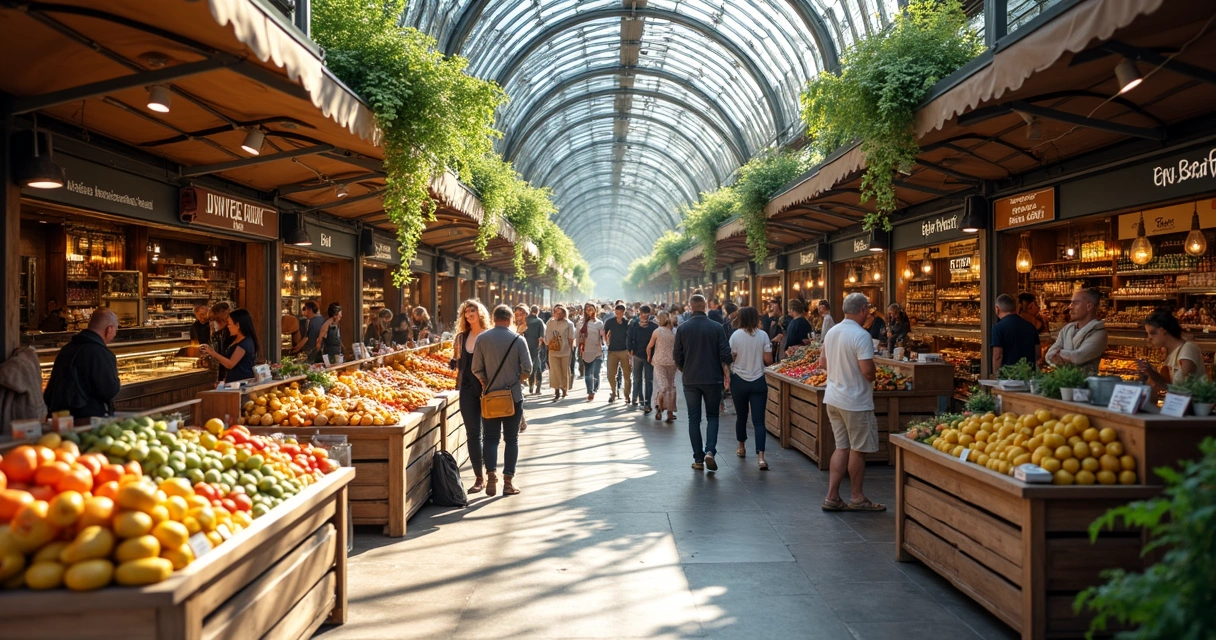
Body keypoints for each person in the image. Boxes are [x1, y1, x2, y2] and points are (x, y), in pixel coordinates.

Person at [819, 293, 884, 512]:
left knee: (841, 448)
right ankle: (857, 497)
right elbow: (867, 370)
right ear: (864, 310)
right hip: (855, 401)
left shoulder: (832, 331)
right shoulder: (861, 335)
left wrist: (841, 370)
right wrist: (874, 374)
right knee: (858, 450)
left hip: (833, 398)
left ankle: (832, 497)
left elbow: (823, 364)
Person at [472, 305, 533, 497]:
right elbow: (528, 368)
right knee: (511, 439)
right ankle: (508, 482)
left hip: (490, 397)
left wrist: (485, 382)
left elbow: (476, 368)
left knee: (490, 438)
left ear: (493, 318)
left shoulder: (482, 339)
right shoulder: (518, 339)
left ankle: (491, 475)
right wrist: (516, 381)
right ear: (510, 319)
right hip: (512, 397)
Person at [673, 294, 733, 472]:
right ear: (705, 306)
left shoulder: (683, 329)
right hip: (713, 379)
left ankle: (698, 459)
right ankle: (710, 451)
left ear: (690, 307)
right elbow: (725, 354)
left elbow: (677, 355)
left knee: (694, 418)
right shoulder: (716, 327)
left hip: (691, 379)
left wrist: (685, 368)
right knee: (713, 416)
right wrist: (726, 373)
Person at [43, 308, 120, 419]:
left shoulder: (67, 349)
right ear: (109, 329)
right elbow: (109, 391)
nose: (114, 334)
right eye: (116, 330)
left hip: (61, 416)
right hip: (88, 417)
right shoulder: (100, 353)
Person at [451, 300, 491, 493]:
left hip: (488, 389)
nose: (469, 314)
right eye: (466, 312)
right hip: (467, 389)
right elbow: (456, 363)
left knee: (490, 433)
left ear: (480, 312)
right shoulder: (461, 337)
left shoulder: (489, 335)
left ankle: (491, 473)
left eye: (472, 310)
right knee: (473, 433)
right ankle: (478, 478)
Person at [729, 307, 773, 469]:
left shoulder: (735, 336)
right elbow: (768, 360)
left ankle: (741, 447)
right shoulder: (763, 335)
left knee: (741, 416)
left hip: (739, 380)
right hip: (758, 380)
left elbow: (730, 357)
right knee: (759, 421)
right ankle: (761, 457)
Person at [1139, 309, 1206, 397]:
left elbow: (1183, 388)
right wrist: (1149, 373)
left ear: (1163, 331)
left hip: (1193, 407)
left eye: (1152, 333)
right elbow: (1168, 386)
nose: (1149, 338)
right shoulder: (1169, 353)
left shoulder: (1188, 349)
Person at [1045, 288, 1108, 373]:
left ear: (1089, 306)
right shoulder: (1067, 329)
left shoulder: (1098, 332)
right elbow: (1049, 355)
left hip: (1086, 384)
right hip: (1063, 381)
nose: (1070, 306)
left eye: (1075, 303)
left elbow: (1078, 357)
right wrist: (1063, 357)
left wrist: (1058, 354)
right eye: (1071, 302)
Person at [200, 308, 258, 384]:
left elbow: (230, 364)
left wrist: (212, 353)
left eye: (229, 324)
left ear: (237, 325)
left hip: (241, 383)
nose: (228, 326)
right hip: (233, 382)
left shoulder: (245, 342)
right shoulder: (235, 339)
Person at [991, 294, 1041, 373]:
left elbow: (998, 355)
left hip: (1008, 376)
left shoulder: (998, 328)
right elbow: (1038, 354)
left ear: (997, 309)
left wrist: (996, 376)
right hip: (1028, 375)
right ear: (1015, 308)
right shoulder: (1031, 326)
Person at [648, 311, 679, 423]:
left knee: (664, 386)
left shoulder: (657, 331)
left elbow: (649, 346)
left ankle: (660, 409)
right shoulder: (674, 332)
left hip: (661, 362)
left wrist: (649, 358)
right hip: (671, 363)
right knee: (670, 386)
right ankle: (668, 411)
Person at [627, 305, 658, 413]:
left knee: (648, 380)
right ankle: (636, 398)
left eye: (646, 313)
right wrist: (630, 348)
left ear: (650, 314)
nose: (644, 315)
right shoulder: (634, 325)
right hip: (637, 354)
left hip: (649, 356)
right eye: (642, 313)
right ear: (639, 313)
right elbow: (629, 337)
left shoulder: (654, 326)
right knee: (637, 378)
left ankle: (647, 402)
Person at [544, 304, 575, 400]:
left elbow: (571, 338)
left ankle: (564, 389)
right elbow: (547, 335)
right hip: (553, 350)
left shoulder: (569, 323)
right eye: (554, 312)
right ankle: (556, 390)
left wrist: (571, 350)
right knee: (554, 370)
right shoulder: (550, 322)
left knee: (564, 370)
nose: (555, 314)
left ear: (563, 313)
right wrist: (547, 344)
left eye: (558, 312)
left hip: (565, 350)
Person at [603, 304, 633, 403]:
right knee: (611, 374)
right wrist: (606, 341)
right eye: (616, 312)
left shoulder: (627, 323)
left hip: (624, 350)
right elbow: (605, 332)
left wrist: (630, 350)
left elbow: (631, 336)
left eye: (620, 312)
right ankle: (613, 392)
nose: (618, 314)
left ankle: (627, 395)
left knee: (627, 375)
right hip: (612, 351)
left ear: (624, 312)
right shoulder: (610, 322)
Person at [578, 303, 607, 401]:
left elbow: (603, 337)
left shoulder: (599, 323)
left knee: (595, 373)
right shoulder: (581, 323)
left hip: (597, 350)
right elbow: (578, 336)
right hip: (587, 350)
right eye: (587, 309)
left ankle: (594, 388)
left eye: (591, 309)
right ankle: (590, 391)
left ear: (595, 310)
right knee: (587, 375)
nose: (589, 311)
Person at [522, 305, 546, 395]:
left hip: (527, 346)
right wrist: (539, 347)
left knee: (530, 365)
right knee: (538, 366)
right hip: (536, 347)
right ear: (538, 311)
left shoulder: (526, 321)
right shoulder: (539, 321)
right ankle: (538, 387)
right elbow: (541, 337)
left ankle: (531, 386)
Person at [208, 302, 233, 382]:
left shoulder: (228, 333)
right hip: (224, 373)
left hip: (228, 374)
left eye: (213, 320)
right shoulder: (220, 333)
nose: (212, 323)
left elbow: (225, 357)